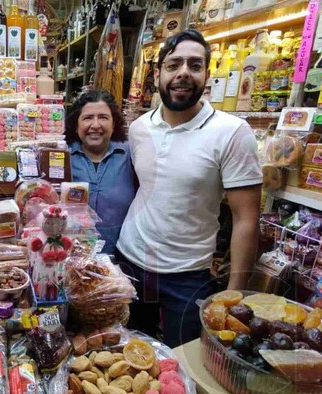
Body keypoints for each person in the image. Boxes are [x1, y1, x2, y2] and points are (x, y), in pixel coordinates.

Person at [117, 29, 262, 347]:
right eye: (174, 64)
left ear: (206, 75)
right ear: (157, 74)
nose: (183, 72)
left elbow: (246, 219)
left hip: (186, 275)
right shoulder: (140, 128)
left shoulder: (232, 132)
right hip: (131, 261)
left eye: (194, 65)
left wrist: (232, 298)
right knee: (129, 353)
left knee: (182, 360)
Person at [66, 89, 137, 255]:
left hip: (123, 255)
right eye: (88, 118)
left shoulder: (131, 155)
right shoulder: (62, 156)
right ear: (76, 125)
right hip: (71, 255)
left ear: (113, 125)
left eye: (103, 117)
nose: (95, 125)